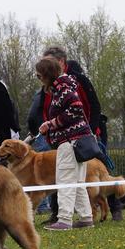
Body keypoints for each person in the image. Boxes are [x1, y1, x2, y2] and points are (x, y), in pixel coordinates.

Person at [36, 56, 94, 231]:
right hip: (76, 141)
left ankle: (64, 220)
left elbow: (76, 109)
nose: (38, 79)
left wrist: (52, 123)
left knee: (65, 180)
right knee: (77, 181)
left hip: (69, 142)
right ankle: (86, 217)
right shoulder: (64, 86)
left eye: (40, 75)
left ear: (48, 74)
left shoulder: (63, 89)